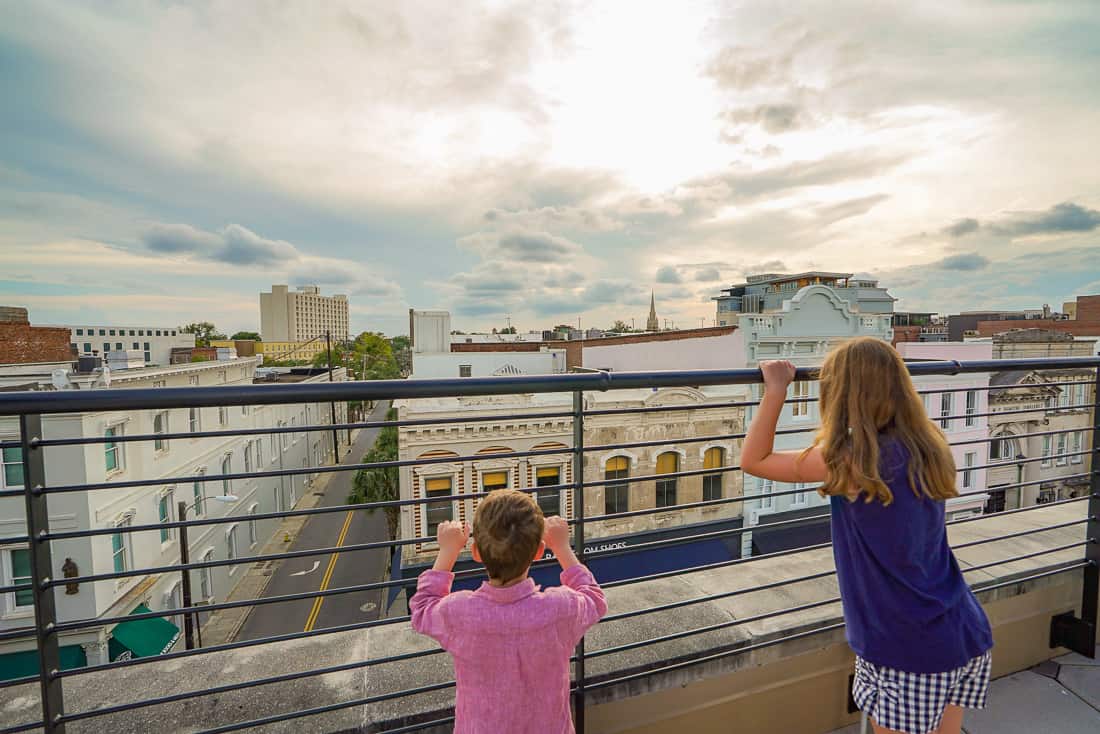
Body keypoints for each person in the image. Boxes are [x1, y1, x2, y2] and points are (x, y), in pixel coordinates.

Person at [740, 337, 993, 734]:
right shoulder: (928, 445)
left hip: (906, 646)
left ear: (840, 394)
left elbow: (753, 460)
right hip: (962, 627)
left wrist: (776, 389)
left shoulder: (852, 460)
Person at [410, 489, 607, 734]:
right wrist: (562, 547)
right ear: (538, 551)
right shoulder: (559, 609)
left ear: (476, 554)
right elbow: (594, 598)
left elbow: (421, 607)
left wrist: (448, 550)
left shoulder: (460, 613)